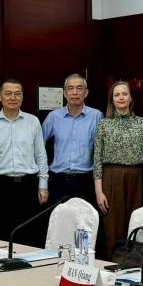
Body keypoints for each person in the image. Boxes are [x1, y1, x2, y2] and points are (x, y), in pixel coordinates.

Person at [0, 79, 49, 245]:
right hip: (1, 187)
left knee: (30, 234)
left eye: (17, 94)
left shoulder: (33, 121)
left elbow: (41, 155)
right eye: (8, 93)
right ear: (0, 97)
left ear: (22, 97)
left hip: (29, 186)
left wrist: (43, 185)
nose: (13, 97)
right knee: (3, 235)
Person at [94, 80, 143, 254]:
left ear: (131, 97)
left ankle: (133, 263)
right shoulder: (104, 124)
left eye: (124, 94)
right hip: (111, 179)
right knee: (113, 227)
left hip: (137, 179)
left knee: (136, 224)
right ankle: (113, 263)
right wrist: (99, 191)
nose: (121, 97)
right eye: (116, 95)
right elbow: (97, 159)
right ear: (112, 99)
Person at [42, 73, 102, 208]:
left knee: (84, 220)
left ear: (86, 93)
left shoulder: (97, 116)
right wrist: (42, 182)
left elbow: (101, 152)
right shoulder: (53, 117)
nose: (75, 92)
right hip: (58, 181)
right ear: (64, 93)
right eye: (70, 88)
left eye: (79, 88)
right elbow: (39, 148)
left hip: (86, 181)